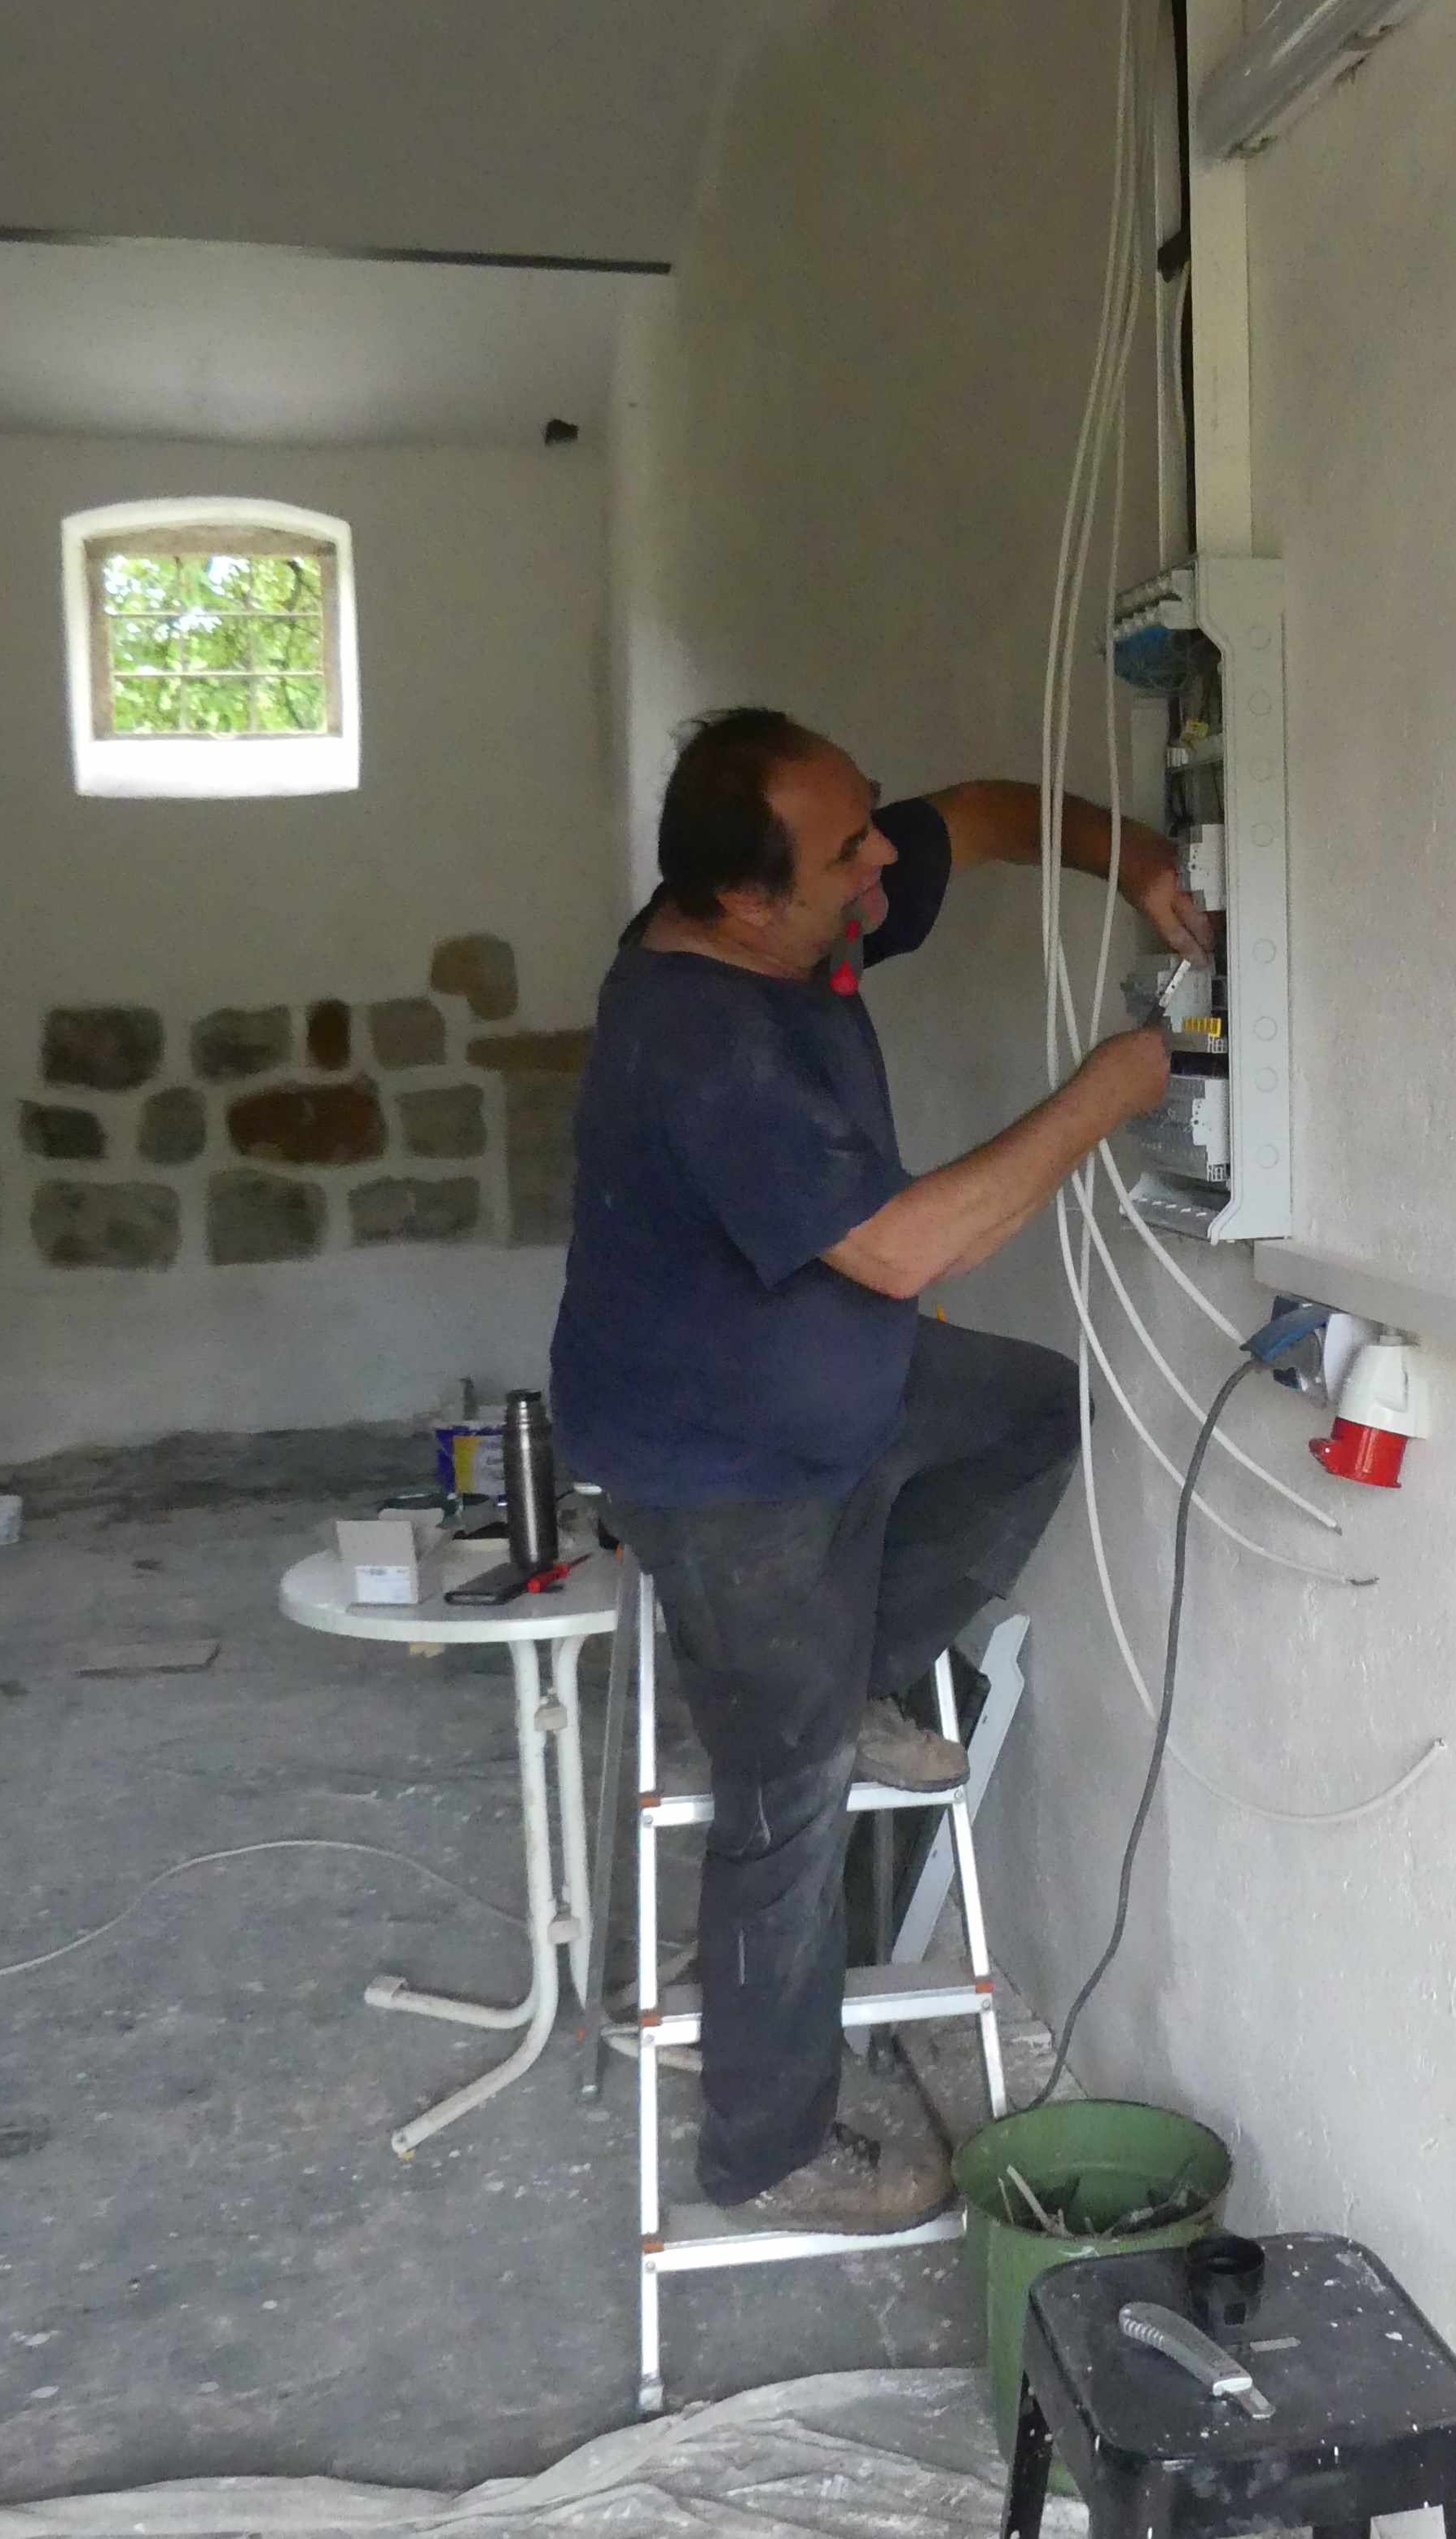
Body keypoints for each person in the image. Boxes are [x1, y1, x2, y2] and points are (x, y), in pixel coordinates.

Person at [551, 708, 1208, 2234]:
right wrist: (1112, 1089)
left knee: (1028, 1413)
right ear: (742, 898)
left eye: (864, 830)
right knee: (785, 1802)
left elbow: (975, 810)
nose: (879, 871)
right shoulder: (699, 1041)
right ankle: (769, 2144)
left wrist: (1139, 862)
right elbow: (908, 1248)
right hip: (719, 1461)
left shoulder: (802, 909)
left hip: (840, 1383)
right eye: (847, 855)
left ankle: (846, 1679)